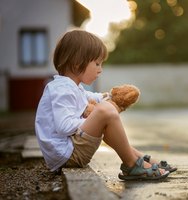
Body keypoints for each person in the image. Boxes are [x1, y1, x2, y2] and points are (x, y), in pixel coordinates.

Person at [35, 30, 176, 181]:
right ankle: (132, 163)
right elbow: (63, 126)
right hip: (67, 154)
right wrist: (94, 118)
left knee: (105, 110)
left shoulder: (71, 87)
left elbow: (92, 97)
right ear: (77, 64)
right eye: (96, 63)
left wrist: (109, 96)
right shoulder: (62, 89)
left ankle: (138, 158)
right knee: (105, 110)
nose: (100, 69)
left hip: (69, 150)